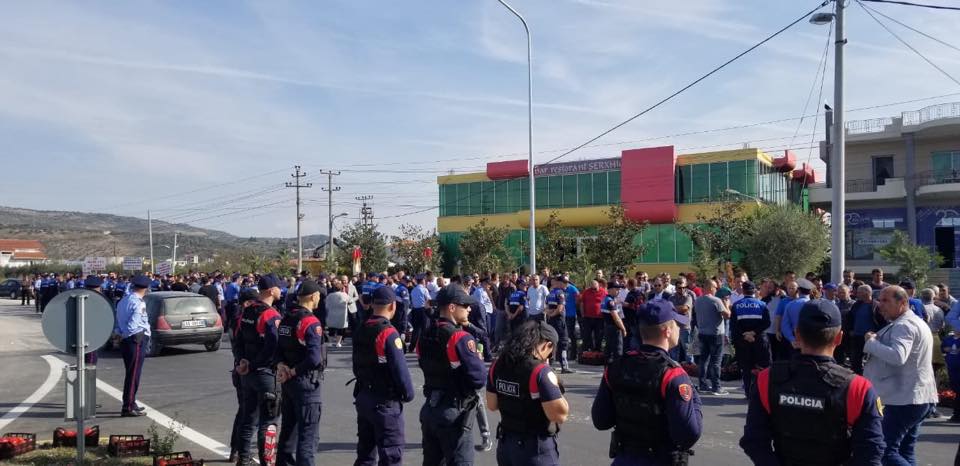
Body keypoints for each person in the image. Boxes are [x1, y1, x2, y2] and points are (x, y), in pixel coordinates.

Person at [739, 300, 885, 465]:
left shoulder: (767, 379)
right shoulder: (858, 387)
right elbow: (871, 451)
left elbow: (754, 440)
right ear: (839, 338)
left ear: (797, 334)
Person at [592, 299, 703, 465]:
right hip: (660, 458)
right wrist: (695, 401)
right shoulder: (672, 374)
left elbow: (601, 420)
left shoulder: (616, 366)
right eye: (676, 326)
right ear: (667, 331)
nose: (679, 329)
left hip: (625, 457)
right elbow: (688, 434)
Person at [864, 285, 939, 466]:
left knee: (885, 452)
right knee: (905, 450)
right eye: (880, 300)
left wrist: (871, 342)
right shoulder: (914, 322)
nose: (880, 305)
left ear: (903, 303)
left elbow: (898, 356)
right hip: (916, 397)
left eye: (886, 301)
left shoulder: (904, 326)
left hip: (903, 399)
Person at [417, 284, 487, 465]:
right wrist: (477, 359)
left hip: (431, 406)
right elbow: (479, 379)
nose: (469, 309)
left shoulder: (425, 334)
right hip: (454, 411)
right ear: (452, 307)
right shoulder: (459, 337)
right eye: (465, 305)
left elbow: (423, 363)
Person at [487, 320, 569, 466]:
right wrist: (554, 382)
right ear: (547, 345)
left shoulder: (498, 365)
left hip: (507, 443)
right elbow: (559, 414)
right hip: (534, 448)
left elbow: (492, 404)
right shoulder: (539, 371)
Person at [352, 286, 415, 466]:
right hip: (384, 401)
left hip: (364, 395)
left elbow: (356, 364)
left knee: (365, 454)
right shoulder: (388, 333)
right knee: (391, 456)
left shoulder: (361, 328)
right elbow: (400, 370)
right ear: (392, 306)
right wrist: (408, 394)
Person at [275, 279, 326, 466]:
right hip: (305, 383)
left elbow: (277, 348)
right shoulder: (310, 322)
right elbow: (314, 358)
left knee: (288, 431)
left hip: (289, 383)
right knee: (308, 437)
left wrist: (281, 366)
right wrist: (293, 371)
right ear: (314, 297)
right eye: (319, 295)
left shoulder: (287, 318)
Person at [234, 273, 284, 465]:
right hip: (265, 374)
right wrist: (251, 364)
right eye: (279, 287)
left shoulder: (246, 311)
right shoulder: (271, 315)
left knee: (248, 419)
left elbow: (238, 341)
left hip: (247, 374)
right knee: (269, 422)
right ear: (271, 291)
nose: (282, 290)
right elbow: (272, 348)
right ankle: (267, 462)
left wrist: (242, 362)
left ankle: (243, 460)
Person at [116, 274, 152, 417]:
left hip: (128, 340)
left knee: (132, 373)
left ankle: (132, 402)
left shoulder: (124, 300)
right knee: (133, 375)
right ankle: (128, 406)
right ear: (146, 288)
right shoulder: (139, 303)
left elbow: (118, 320)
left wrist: (120, 334)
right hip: (136, 339)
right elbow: (133, 324)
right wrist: (128, 335)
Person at [729, 281, 771, 395]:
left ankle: (748, 392)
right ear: (754, 291)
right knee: (762, 367)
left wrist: (745, 335)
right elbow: (767, 323)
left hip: (743, 342)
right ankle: (761, 391)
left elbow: (733, 326)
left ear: (743, 291)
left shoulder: (736, 305)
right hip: (759, 340)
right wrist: (754, 333)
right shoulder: (762, 305)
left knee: (746, 368)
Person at [694, 279, 730, 395]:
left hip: (703, 333)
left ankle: (703, 385)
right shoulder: (716, 300)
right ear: (710, 288)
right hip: (716, 334)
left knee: (703, 360)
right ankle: (716, 387)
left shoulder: (698, 300)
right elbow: (727, 315)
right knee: (716, 361)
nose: (716, 290)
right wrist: (727, 305)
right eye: (715, 287)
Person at [779, 278, 814, 357]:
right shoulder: (815, 305)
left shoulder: (790, 305)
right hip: (811, 341)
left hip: (795, 340)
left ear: (798, 290)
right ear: (810, 291)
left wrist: (792, 340)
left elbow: (785, 325)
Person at [545, 277, 573, 374]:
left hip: (551, 321)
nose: (566, 285)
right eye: (565, 283)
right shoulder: (560, 293)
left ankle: (549, 364)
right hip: (559, 321)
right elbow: (560, 308)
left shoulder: (550, 294)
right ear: (559, 283)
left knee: (551, 341)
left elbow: (546, 309)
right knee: (563, 342)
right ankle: (564, 366)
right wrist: (554, 314)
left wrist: (551, 314)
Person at [668, 277, 696, 364]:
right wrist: (676, 309)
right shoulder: (671, 297)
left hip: (685, 326)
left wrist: (673, 309)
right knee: (674, 348)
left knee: (687, 348)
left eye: (684, 287)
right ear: (676, 288)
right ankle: (674, 366)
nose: (682, 289)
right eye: (680, 288)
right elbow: (669, 309)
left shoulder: (688, 296)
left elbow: (684, 308)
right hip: (674, 326)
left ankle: (690, 366)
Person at [602, 281, 627, 364]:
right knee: (618, 350)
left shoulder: (606, 299)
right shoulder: (610, 302)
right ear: (611, 289)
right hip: (614, 328)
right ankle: (616, 370)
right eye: (617, 289)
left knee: (608, 349)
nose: (619, 291)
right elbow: (616, 318)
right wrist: (623, 329)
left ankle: (608, 369)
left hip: (607, 327)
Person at [325, 280, 351, 348]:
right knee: (341, 329)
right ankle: (338, 343)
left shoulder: (330, 295)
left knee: (331, 329)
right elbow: (350, 301)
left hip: (331, 314)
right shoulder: (345, 295)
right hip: (342, 315)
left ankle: (330, 342)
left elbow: (326, 305)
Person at [942, 331, 960, 423]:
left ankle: (957, 415)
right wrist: (946, 349)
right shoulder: (948, 339)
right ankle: (957, 414)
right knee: (956, 390)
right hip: (952, 369)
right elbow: (942, 349)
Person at [562, 276, 580, 360]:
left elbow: (578, 300)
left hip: (570, 314)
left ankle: (573, 354)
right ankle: (564, 353)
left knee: (571, 334)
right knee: (564, 335)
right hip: (562, 315)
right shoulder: (561, 289)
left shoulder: (573, 289)